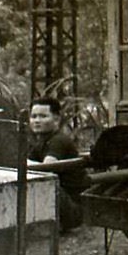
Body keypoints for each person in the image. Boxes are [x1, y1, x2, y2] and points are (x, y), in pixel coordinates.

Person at [28, 97, 89, 231]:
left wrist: (21, 163)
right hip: (62, 202)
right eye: (33, 116)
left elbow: (46, 169)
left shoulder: (59, 141)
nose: (37, 121)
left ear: (56, 119)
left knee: (43, 184)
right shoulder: (40, 142)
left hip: (73, 206)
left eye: (43, 116)